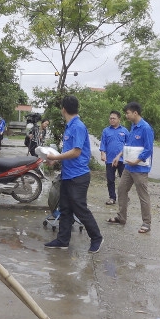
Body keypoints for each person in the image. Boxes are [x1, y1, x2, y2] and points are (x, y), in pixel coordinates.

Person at [44, 95, 104, 253]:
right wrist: (55, 161)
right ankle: (63, 240)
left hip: (78, 176)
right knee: (65, 209)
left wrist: (55, 157)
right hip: (68, 174)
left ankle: (96, 237)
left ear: (63, 109)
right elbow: (68, 152)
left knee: (80, 209)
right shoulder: (70, 126)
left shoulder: (77, 126)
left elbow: (76, 152)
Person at [106, 101, 154, 234]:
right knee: (121, 190)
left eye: (127, 113)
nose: (126, 116)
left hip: (140, 168)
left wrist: (137, 161)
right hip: (129, 167)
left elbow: (148, 149)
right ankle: (121, 217)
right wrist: (119, 155)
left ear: (135, 113)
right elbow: (128, 144)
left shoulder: (145, 128)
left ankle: (146, 223)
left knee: (143, 195)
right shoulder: (133, 126)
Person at [99, 111, 129, 205]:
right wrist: (102, 153)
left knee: (124, 180)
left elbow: (129, 145)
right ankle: (112, 197)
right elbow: (103, 144)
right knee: (110, 179)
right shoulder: (106, 131)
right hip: (110, 160)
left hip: (122, 159)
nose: (111, 120)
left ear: (119, 119)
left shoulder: (124, 131)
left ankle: (124, 196)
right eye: (110, 118)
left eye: (114, 118)